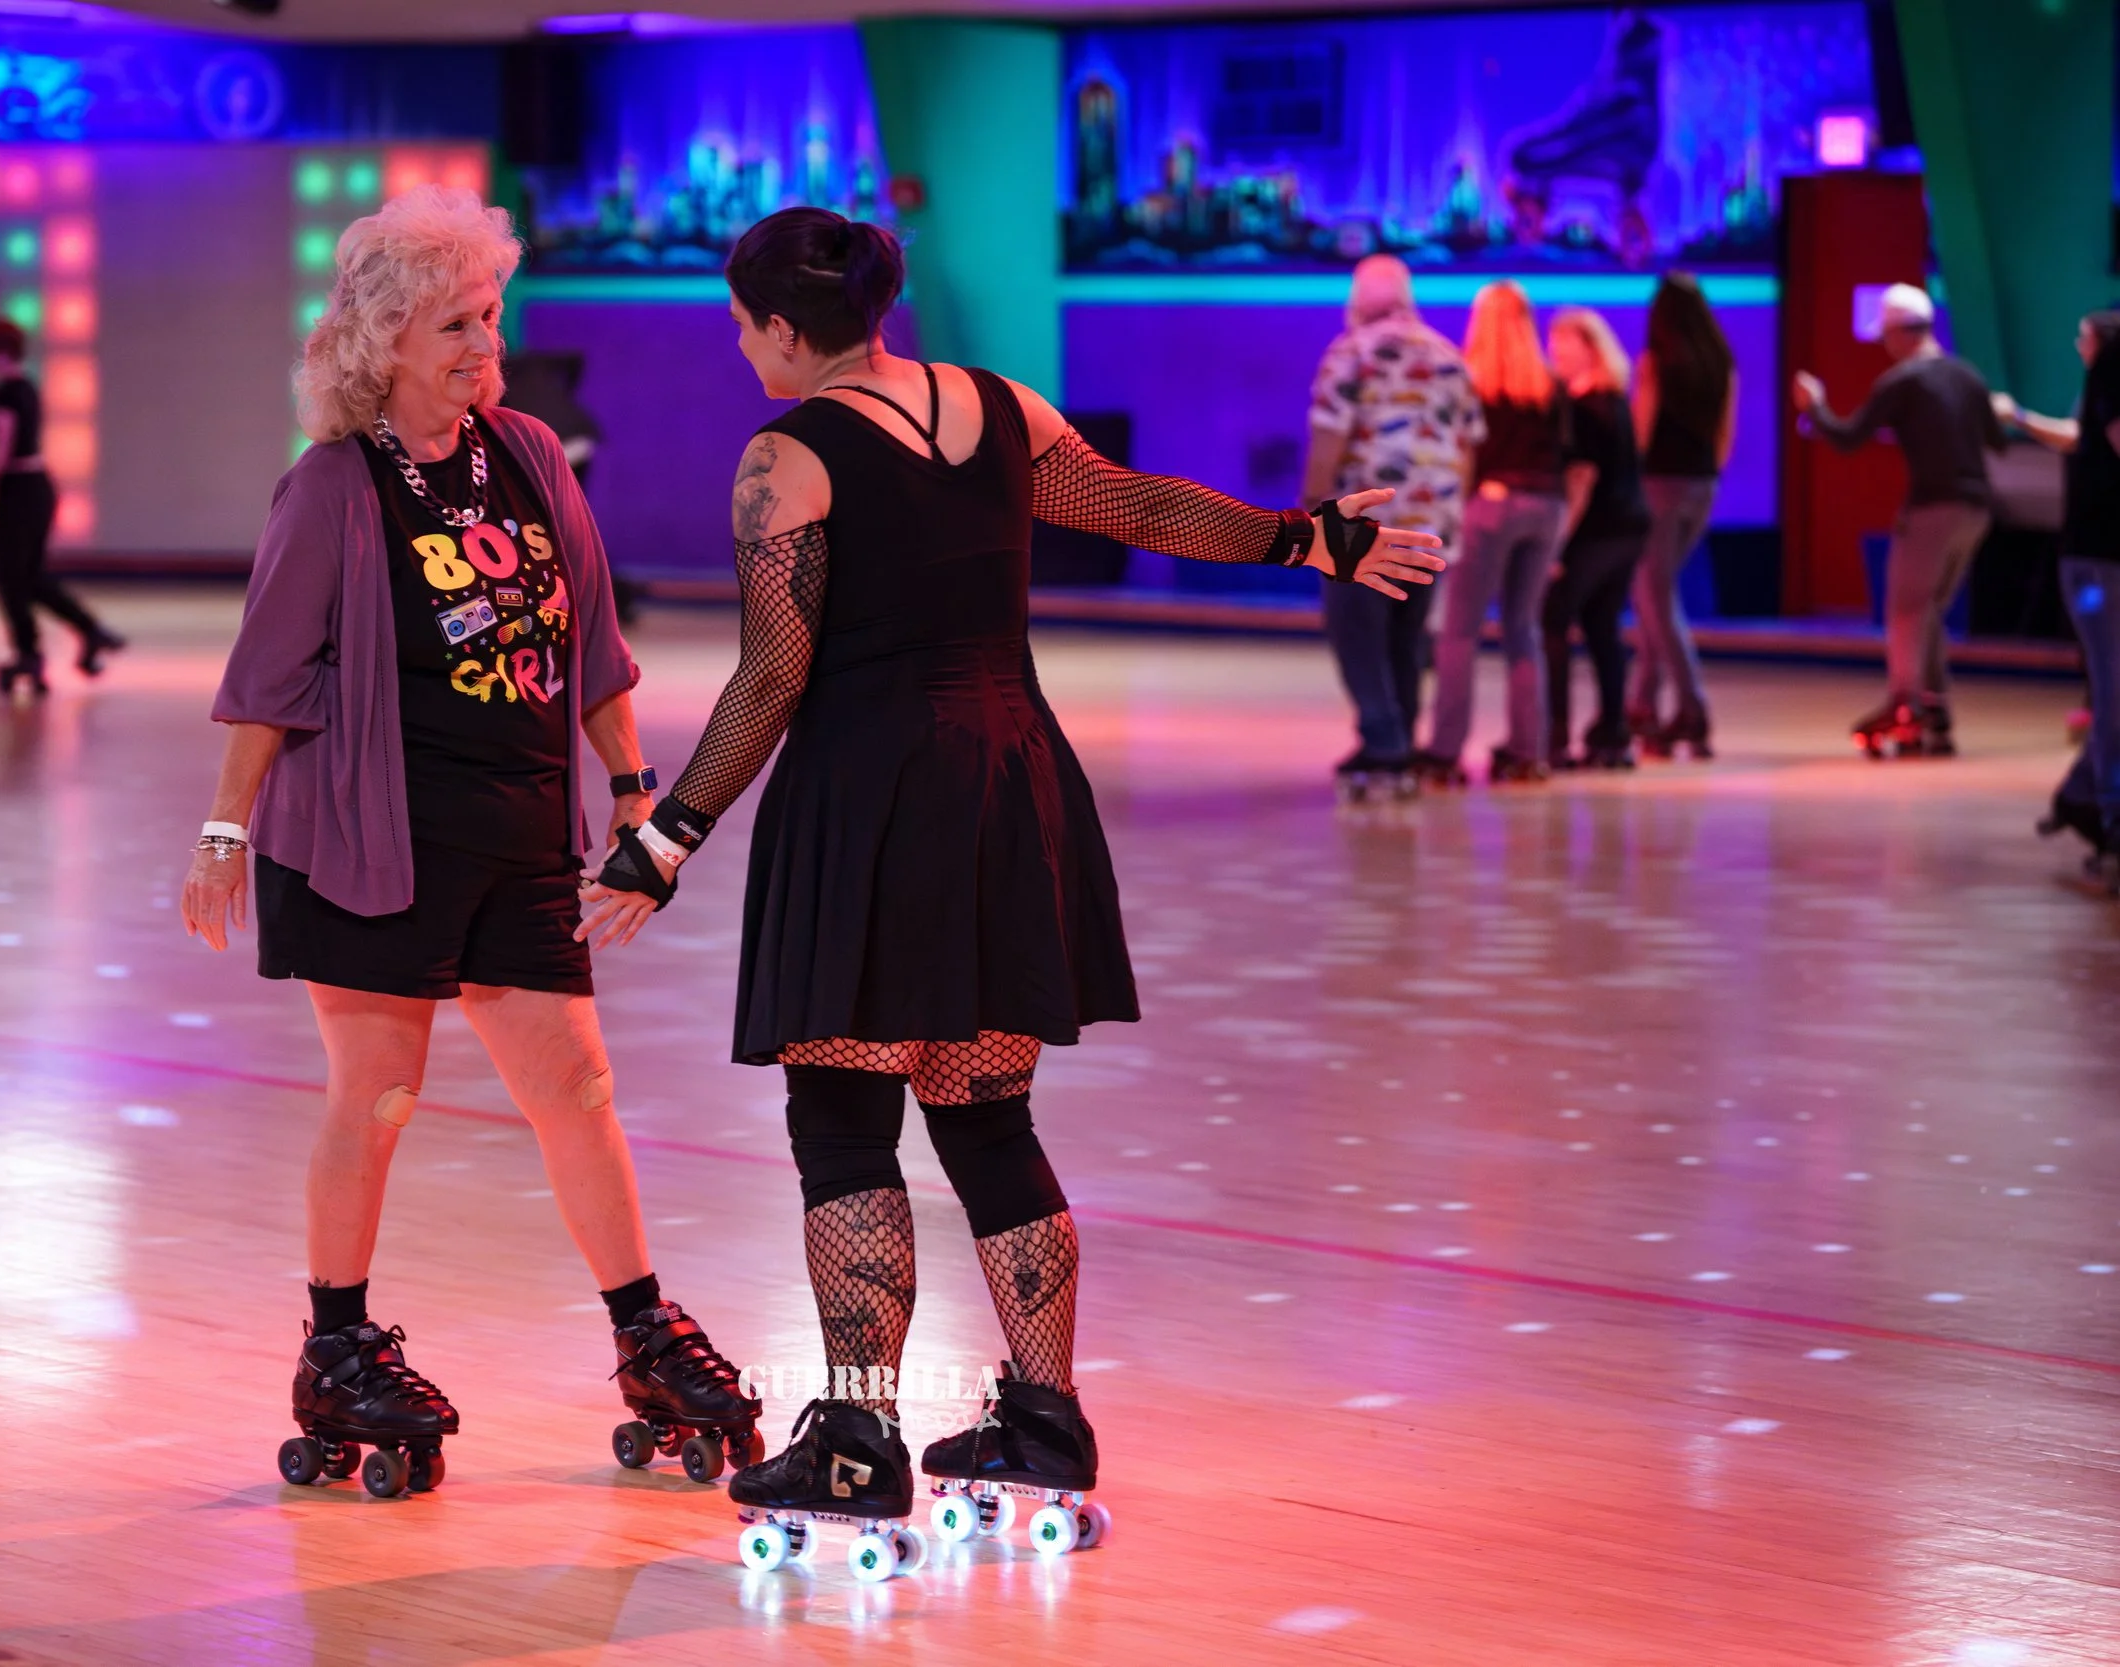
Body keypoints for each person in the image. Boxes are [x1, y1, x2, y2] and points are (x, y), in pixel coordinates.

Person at [575, 207, 1443, 1573]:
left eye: (744, 327)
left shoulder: (786, 458)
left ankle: (857, 1436)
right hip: (1007, 779)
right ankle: (1044, 1415)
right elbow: (1141, 505)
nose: (742, 350)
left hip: (871, 793)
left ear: (788, 328)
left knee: (845, 1120)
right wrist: (1303, 541)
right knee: (985, 1115)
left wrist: (666, 837)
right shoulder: (1000, 405)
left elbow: (773, 676)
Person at [181, 186, 756, 1498]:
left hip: (517, 831)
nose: (485, 345)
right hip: (371, 837)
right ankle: (337, 1346)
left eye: (491, 315)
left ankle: (644, 1333)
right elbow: (267, 675)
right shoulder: (332, 485)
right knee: (379, 1095)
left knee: (578, 1087)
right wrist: (223, 830)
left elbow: (592, 637)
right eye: (454, 323)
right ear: (383, 338)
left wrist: (632, 791)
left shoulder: (530, 453)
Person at [1795, 282, 2005, 757]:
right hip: (1976, 509)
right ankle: (1935, 709)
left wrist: (1815, 406)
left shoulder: (1902, 381)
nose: (1886, 347)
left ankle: (1904, 706)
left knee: (1906, 609)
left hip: (1932, 506)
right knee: (1929, 610)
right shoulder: (1966, 375)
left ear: (1899, 333)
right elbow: (1995, 440)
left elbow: (1847, 437)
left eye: (1886, 337)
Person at [1305, 255, 1485, 798]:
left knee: (1357, 632)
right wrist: (1450, 510)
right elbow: (1469, 443)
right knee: (1407, 636)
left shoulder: (1351, 353)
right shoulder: (1448, 356)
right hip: (1432, 524)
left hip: (1366, 523)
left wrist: (1312, 507)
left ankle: (1382, 741)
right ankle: (1401, 739)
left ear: (1359, 299)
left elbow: (1330, 435)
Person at [1420, 280, 1570, 787]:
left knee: (1459, 631)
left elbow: (1460, 456)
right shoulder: (1550, 384)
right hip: (1546, 507)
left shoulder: (1470, 380)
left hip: (1489, 505)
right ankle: (1528, 752)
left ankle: (1445, 752)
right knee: (1523, 629)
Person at [1997, 309, 2120, 890]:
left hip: (2101, 558)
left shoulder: (2106, 374)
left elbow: (2080, 438)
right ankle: (2109, 819)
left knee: (2116, 690)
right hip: (2101, 559)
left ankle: (2081, 796)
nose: (2077, 345)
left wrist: (2018, 417)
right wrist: (2019, 417)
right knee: (2114, 692)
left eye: (2082, 338)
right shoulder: (2114, 369)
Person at [0, 317, 124, 696]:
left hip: (18, 491)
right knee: (27, 575)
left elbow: (2, 454)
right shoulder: (28, 387)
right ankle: (87, 631)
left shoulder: (6, 394)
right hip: (37, 487)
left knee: (9, 575)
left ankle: (31, 653)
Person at [1628, 272, 1738, 758]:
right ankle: (1641, 705)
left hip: (1658, 486)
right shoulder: (1722, 364)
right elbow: (1724, 436)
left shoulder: (1655, 363)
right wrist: (1706, 476)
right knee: (1657, 597)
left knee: (1654, 597)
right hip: (1703, 486)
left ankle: (1692, 707)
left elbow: (1641, 433)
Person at [1542, 307, 1653, 770]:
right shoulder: (1616, 401)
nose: (1555, 354)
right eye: (1553, 344)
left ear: (1591, 349)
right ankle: (1612, 733)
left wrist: (1554, 546)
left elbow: (1581, 481)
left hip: (1597, 532)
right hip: (1629, 527)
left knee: (1551, 622)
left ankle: (1553, 738)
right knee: (1603, 629)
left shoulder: (1582, 408)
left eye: (1564, 345)